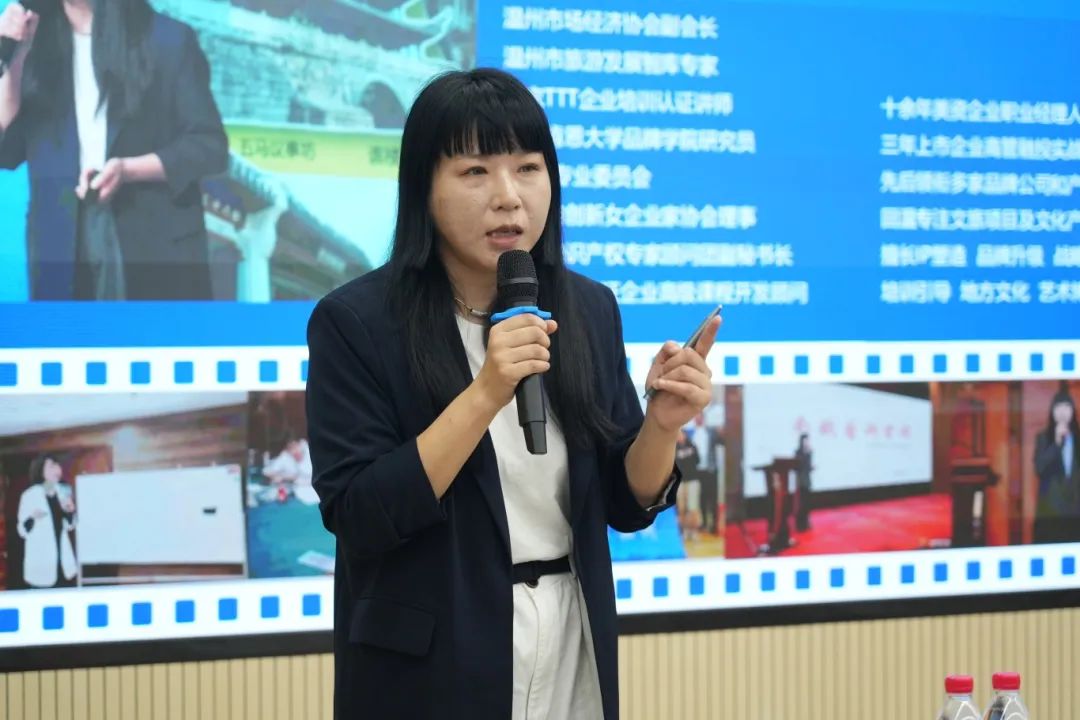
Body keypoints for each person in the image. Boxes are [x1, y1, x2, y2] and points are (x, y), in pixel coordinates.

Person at [305, 68, 719, 719]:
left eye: (528, 168)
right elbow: (361, 514)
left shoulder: (587, 306)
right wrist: (486, 391)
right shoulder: (357, 322)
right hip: (434, 662)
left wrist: (661, 426)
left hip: (571, 635)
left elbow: (624, 501)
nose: (508, 197)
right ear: (423, 188)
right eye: (475, 172)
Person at [0, 0, 227, 300]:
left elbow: (209, 147)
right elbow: (7, 151)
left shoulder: (168, 39)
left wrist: (128, 170)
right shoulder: (36, 43)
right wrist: (12, 58)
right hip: (62, 247)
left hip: (152, 243)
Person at [16, 454, 78, 588]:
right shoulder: (30, 495)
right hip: (41, 565)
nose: (57, 469)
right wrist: (32, 518)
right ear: (41, 471)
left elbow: (70, 525)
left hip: (63, 565)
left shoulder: (63, 492)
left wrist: (70, 511)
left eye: (57, 465)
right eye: (51, 466)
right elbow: (21, 530)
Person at [1033, 383, 1080, 544]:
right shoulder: (1043, 438)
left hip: (1075, 515)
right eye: (1058, 408)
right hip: (1050, 514)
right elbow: (1039, 469)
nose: (1062, 412)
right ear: (1052, 412)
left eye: (1067, 407)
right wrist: (1057, 444)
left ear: (1072, 411)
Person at [794, 432, 813, 532]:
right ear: (801, 442)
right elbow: (797, 466)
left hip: (807, 480)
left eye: (808, 441)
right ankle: (800, 524)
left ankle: (806, 522)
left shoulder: (809, 452)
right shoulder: (798, 452)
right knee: (801, 503)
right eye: (805, 441)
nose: (807, 443)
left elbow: (808, 466)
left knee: (807, 503)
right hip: (800, 480)